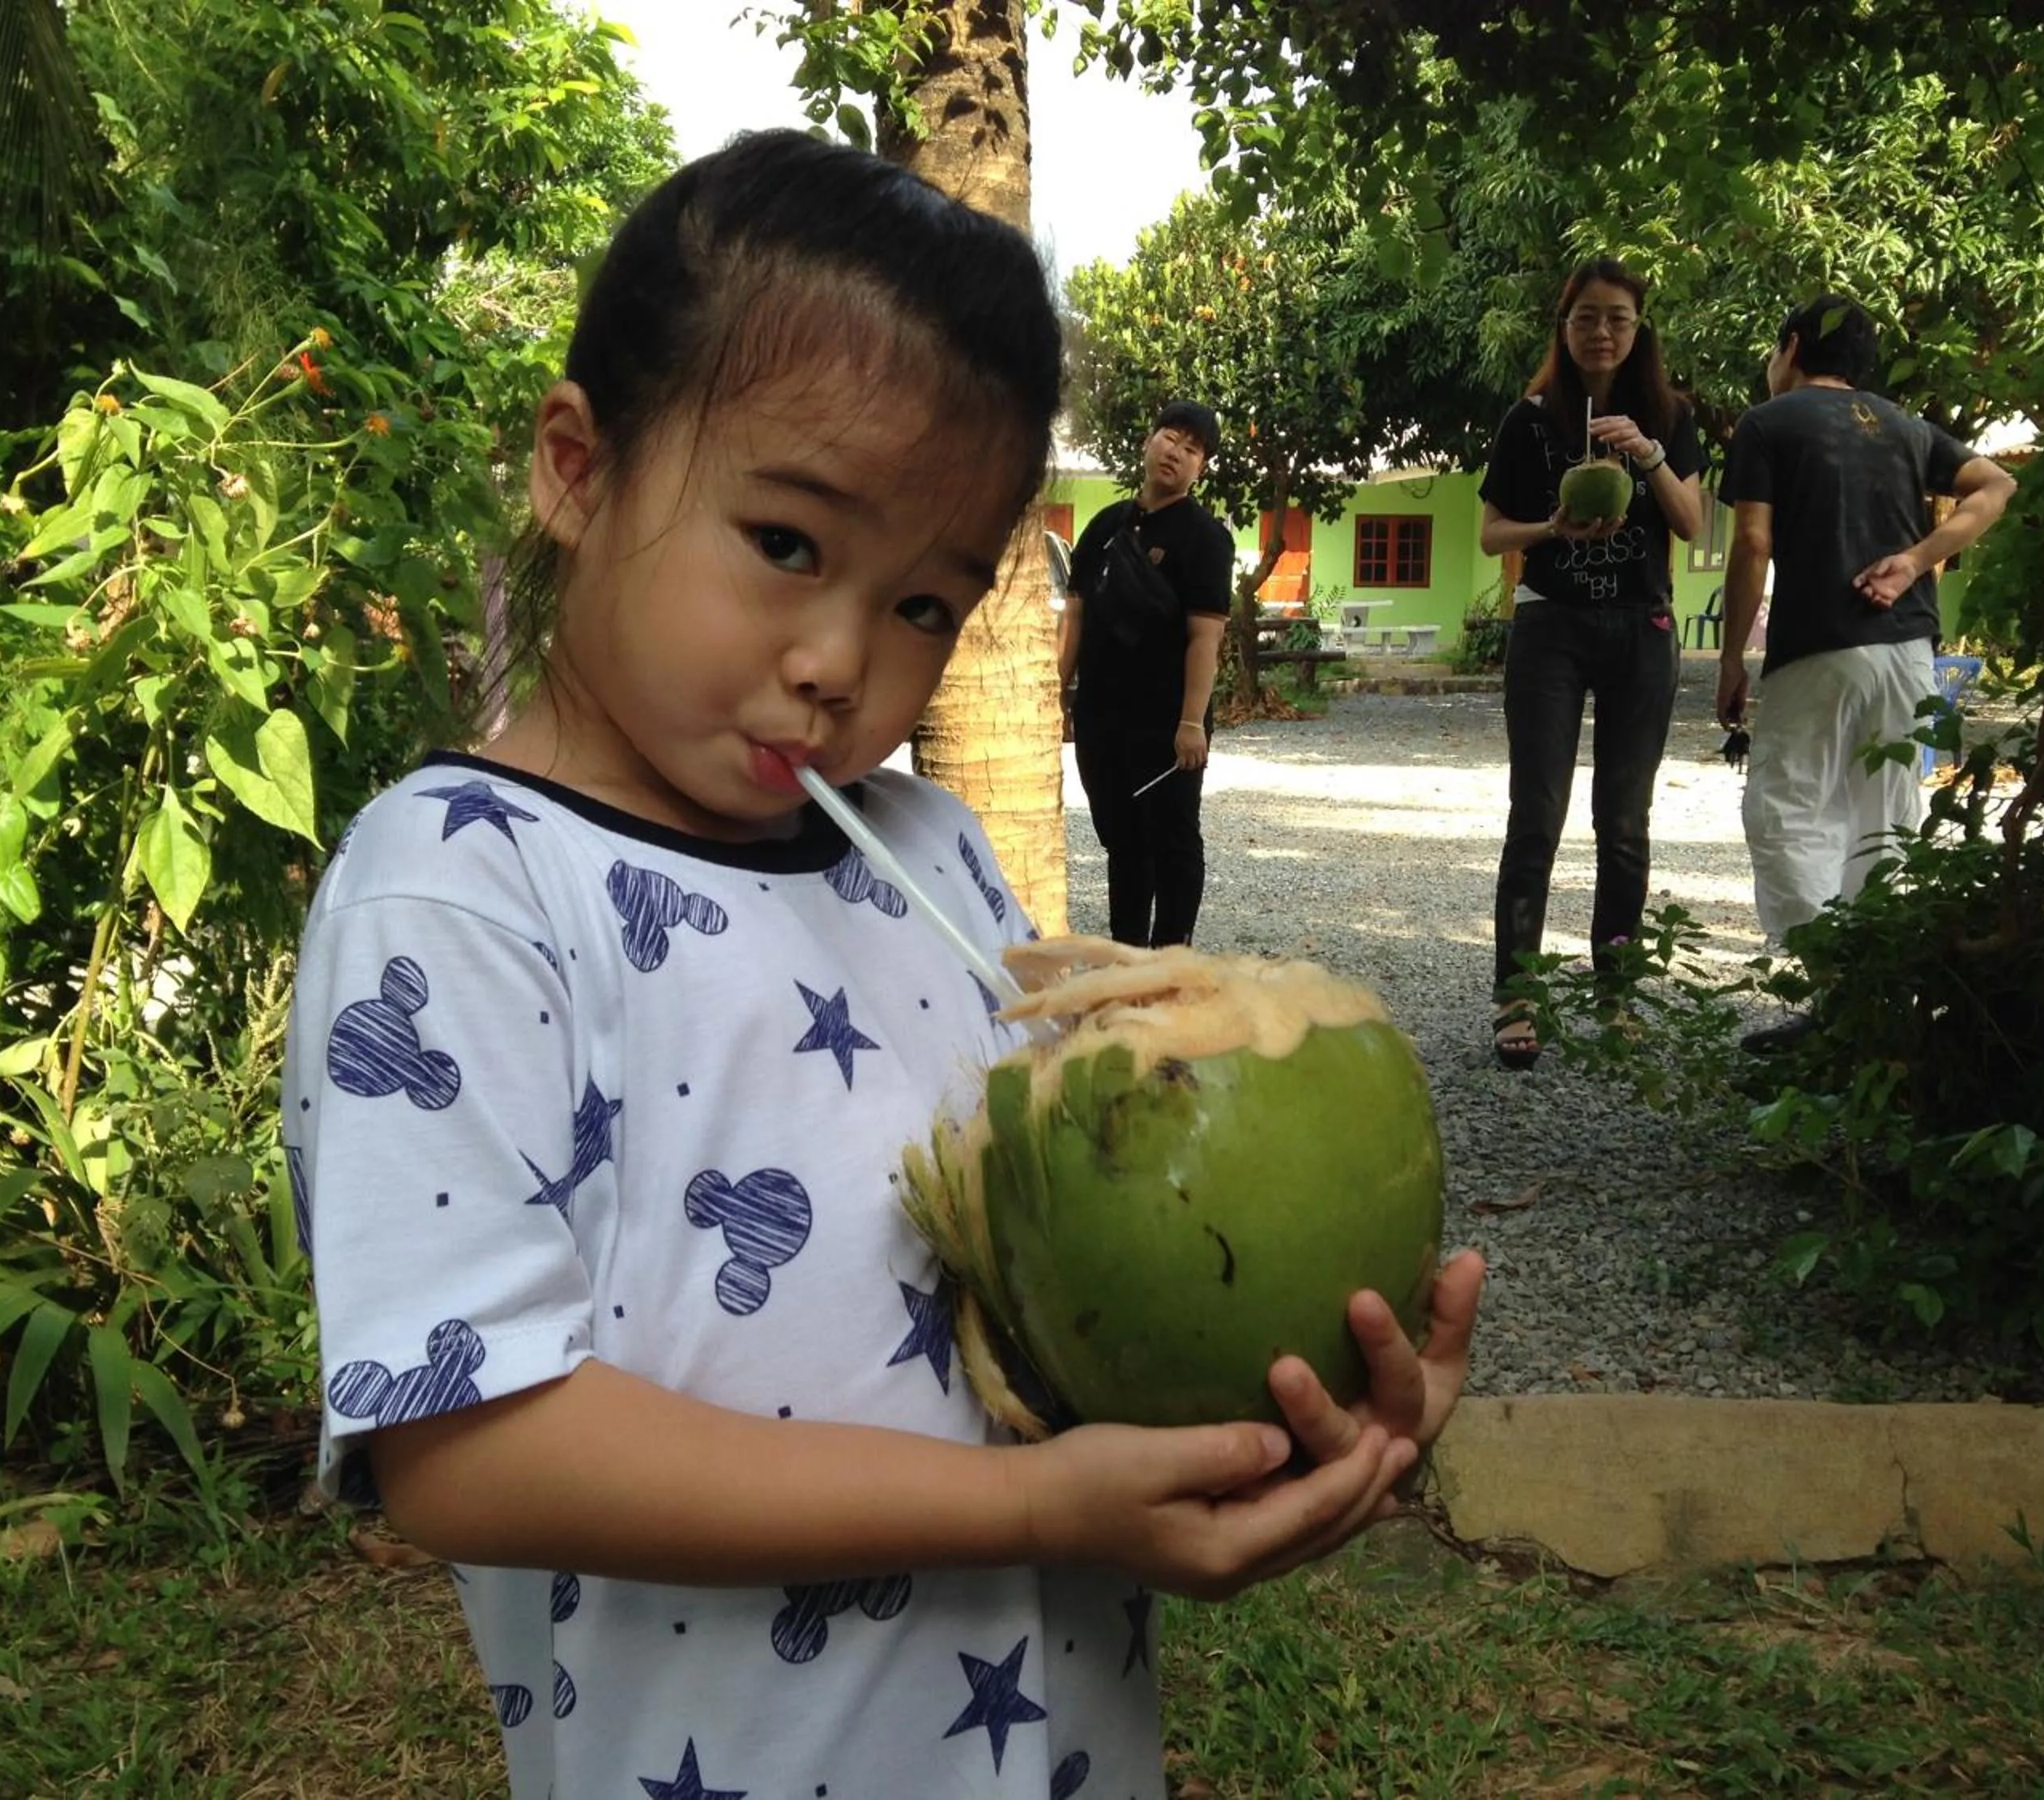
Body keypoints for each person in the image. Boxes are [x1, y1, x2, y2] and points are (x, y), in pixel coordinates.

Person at [282, 131, 1486, 1799]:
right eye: (787, 543)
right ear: (577, 468)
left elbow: (1045, 1293)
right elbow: (465, 1446)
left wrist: (1270, 1412)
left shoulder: (932, 851)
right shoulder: (464, 894)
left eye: (926, 604)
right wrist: (1028, 1509)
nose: (841, 662)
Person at [1715, 294, 2016, 1047]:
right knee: (1884, 817)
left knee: (1787, 813)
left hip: (1817, 648)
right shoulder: (1907, 427)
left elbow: (1752, 543)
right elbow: (1997, 485)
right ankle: (1875, 1006)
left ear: (1791, 346)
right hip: (1911, 652)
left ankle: (1837, 996)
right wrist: (1916, 561)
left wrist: (1731, 659)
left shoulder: (1767, 423)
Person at [1478, 259, 1705, 1070]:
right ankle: (1517, 996)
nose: (1601, 332)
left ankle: (1616, 993)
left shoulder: (1670, 416)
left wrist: (1648, 454)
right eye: (1586, 318)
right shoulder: (1531, 419)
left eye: (1617, 318)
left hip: (1641, 627)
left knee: (1625, 821)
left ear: (1639, 329)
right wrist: (1551, 529)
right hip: (1552, 626)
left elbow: (1691, 522)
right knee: (1536, 816)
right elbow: (1491, 534)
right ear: (1564, 327)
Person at [1059, 399, 1234, 946]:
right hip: (1102, 715)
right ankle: (1129, 957)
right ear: (1148, 441)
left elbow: (1205, 637)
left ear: (1201, 467)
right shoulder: (1106, 526)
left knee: (1174, 840)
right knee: (1122, 840)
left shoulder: (1206, 538)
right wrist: (1056, 692)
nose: (1176, 453)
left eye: (1192, 449)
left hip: (1167, 721)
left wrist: (1192, 722)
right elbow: (1075, 615)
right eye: (1170, 438)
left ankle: (1172, 958)